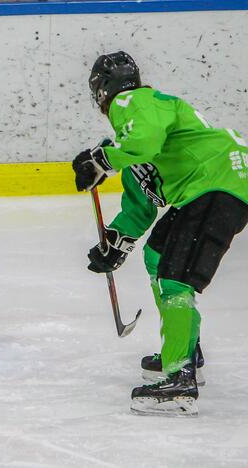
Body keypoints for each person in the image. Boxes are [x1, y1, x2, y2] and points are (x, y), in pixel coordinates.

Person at [72, 51, 248, 416]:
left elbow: (145, 142)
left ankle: (180, 379)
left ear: (102, 91)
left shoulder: (135, 102)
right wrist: (115, 244)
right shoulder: (135, 128)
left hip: (216, 183)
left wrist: (100, 161)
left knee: (174, 279)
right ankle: (186, 349)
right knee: (157, 254)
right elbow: (142, 204)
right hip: (213, 184)